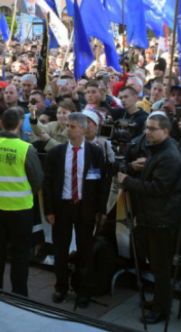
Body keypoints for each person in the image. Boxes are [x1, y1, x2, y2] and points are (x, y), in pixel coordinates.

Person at [117, 115, 181, 325]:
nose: (147, 132)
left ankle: (161, 309)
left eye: (153, 129)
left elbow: (158, 189)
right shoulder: (160, 150)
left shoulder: (169, 155)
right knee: (155, 265)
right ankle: (158, 302)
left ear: (165, 131)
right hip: (152, 216)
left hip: (161, 219)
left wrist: (128, 181)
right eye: (147, 128)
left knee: (161, 267)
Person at [43, 112, 111, 308]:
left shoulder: (95, 153)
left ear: (83, 129)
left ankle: (84, 290)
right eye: (67, 126)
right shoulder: (56, 153)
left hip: (85, 208)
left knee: (85, 252)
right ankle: (61, 287)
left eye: (73, 127)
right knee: (61, 250)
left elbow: (101, 184)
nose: (69, 130)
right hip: (62, 207)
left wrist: (101, 209)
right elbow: (47, 184)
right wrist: (49, 210)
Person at [0, 107, 43, 296]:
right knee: (20, 255)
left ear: (1, 123)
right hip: (19, 210)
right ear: (19, 124)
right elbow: (38, 181)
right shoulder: (25, 148)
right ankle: (19, 294)